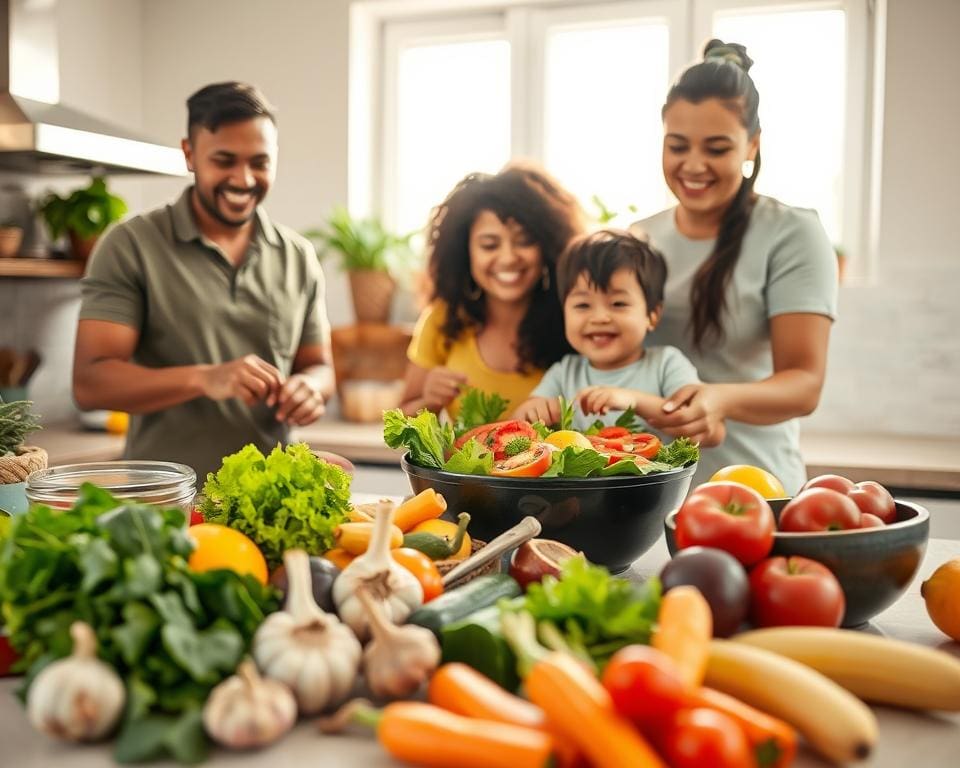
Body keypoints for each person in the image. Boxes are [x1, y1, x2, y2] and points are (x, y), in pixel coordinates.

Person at [74, 82, 344, 481]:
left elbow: (320, 368)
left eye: (260, 162)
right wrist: (205, 377)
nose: (244, 179)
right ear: (189, 154)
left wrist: (309, 387)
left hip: (267, 499)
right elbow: (91, 383)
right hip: (166, 502)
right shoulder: (131, 245)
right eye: (225, 160)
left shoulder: (298, 257)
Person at [630, 40, 838, 493]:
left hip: (754, 491)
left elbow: (804, 383)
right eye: (677, 145)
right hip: (646, 492)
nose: (694, 165)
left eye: (717, 148)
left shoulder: (792, 233)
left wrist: (718, 398)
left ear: (752, 146)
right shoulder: (638, 238)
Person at [399, 163, 585, 420]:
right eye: (489, 245)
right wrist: (429, 400)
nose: (508, 258)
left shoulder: (574, 318)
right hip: (460, 462)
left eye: (524, 241)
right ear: (466, 252)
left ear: (547, 247)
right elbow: (401, 420)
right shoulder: (444, 318)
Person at [512, 229, 724, 446]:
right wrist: (532, 411)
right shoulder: (564, 372)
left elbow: (711, 433)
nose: (600, 317)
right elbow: (519, 424)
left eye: (618, 304)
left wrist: (633, 401)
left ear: (652, 315)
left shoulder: (666, 364)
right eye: (582, 305)